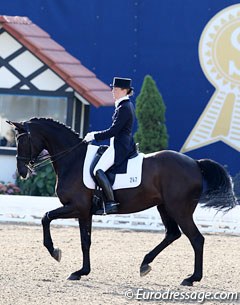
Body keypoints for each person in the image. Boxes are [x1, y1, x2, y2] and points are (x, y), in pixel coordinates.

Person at [83, 77, 137, 214]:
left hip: (120, 147)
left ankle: (111, 203)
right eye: (113, 88)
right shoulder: (122, 105)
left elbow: (113, 131)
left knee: (98, 170)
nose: (113, 91)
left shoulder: (124, 107)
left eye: (116, 89)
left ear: (125, 91)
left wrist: (94, 136)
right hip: (118, 143)